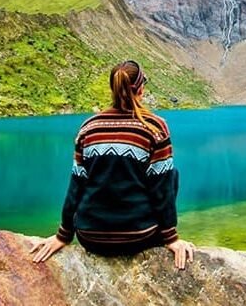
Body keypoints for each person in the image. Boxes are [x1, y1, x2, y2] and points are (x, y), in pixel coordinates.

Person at [30, 60, 194, 269]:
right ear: (141, 89)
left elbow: (76, 185)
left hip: (90, 237)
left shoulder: (89, 127)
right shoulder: (154, 127)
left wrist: (63, 235)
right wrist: (171, 238)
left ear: (112, 88)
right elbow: (161, 189)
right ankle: (163, 235)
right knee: (170, 174)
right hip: (138, 237)